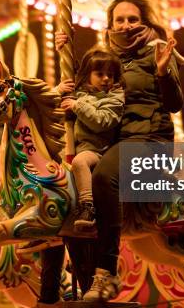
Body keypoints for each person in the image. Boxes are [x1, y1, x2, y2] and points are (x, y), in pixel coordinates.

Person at [55, 0, 183, 301]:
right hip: (115, 141)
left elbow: (175, 104)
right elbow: (87, 85)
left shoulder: (157, 50)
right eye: (120, 20)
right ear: (111, 24)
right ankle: (77, 264)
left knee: (102, 178)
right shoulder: (109, 57)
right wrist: (62, 53)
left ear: (145, 21)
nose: (126, 26)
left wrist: (163, 72)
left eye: (133, 19)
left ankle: (107, 272)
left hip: (149, 139)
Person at [58, 47, 125, 230]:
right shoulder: (81, 93)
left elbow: (101, 121)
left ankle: (88, 207)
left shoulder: (115, 99)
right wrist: (59, 91)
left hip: (98, 151)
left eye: (110, 75)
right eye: (100, 74)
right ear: (88, 75)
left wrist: (78, 106)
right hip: (76, 147)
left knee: (80, 162)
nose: (105, 79)